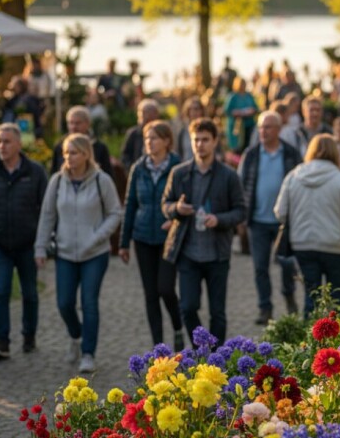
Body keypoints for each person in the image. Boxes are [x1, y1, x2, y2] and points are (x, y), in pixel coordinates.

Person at [35, 134, 122, 373]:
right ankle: (76, 335)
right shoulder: (57, 181)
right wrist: (40, 247)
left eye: (73, 152)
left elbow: (115, 213)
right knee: (64, 303)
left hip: (95, 253)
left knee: (89, 303)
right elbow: (47, 216)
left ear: (86, 154)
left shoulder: (101, 180)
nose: (68, 157)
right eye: (65, 153)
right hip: (64, 252)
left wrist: (96, 237)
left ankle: (88, 353)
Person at [162, 119, 245, 345]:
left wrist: (219, 219)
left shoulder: (228, 175)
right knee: (187, 307)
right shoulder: (179, 174)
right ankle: (201, 348)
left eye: (205, 140)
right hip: (188, 252)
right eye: (196, 140)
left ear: (215, 142)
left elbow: (240, 211)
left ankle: (217, 357)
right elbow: (165, 204)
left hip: (218, 253)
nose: (200, 145)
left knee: (217, 312)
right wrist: (177, 209)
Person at [275, 135, 340, 316]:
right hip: (335, 246)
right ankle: (337, 341)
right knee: (336, 300)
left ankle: (308, 339)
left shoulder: (294, 176)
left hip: (302, 244)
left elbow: (280, 212)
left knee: (311, 298)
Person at [0, 123, 48, 359]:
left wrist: (43, 241)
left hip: (28, 243)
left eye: (6, 141)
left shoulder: (35, 172)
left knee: (29, 293)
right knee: (0, 292)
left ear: (18, 144)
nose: (2, 146)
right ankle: (2, 342)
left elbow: (46, 209)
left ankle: (29, 336)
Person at [119, 120, 184, 351]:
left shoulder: (178, 166)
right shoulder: (138, 168)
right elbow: (130, 205)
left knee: (165, 288)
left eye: (154, 137)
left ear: (167, 141)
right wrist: (124, 243)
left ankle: (178, 326)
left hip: (169, 238)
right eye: (147, 138)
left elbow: (185, 200)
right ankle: (159, 348)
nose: (149, 142)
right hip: (143, 237)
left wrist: (176, 218)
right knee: (150, 294)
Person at [238, 111, 302, 325]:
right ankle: (265, 308)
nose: (263, 132)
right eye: (261, 127)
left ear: (278, 129)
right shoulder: (251, 154)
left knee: (286, 264)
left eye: (268, 127)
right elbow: (241, 184)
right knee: (260, 267)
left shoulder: (291, 154)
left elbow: (299, 184)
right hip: (257, 220)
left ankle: (289, 297)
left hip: (284, 221)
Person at [50, 106, 113, 175]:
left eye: (78, 123)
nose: (73, 127)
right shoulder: (60, 146)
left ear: (88, 124)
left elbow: (108, 174)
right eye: (71, 123)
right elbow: (54, 171)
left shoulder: (99, 147)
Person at [122, 99, 161, 170]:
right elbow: (125, 156)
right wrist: (133, 169)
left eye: (150, 112)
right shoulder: (133, 134)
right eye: (144, 112)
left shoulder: (162, 132)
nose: (147, 116)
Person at [223, 78, 258, 154]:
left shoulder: (249, 96)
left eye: (244, 84)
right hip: (237, 126)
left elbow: (256, 108)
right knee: (238, 147)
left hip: (249, 125)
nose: (242, 86)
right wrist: (238, 112)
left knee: (248, 145)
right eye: (241, 84)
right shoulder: (232, 96)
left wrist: (252, 111)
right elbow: (227, 110)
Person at [177, 96, 206, 161]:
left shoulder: (209, 129)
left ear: (202, 110)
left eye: (196, 109)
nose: (193, 112)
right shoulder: (183, 131)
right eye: (190, 109)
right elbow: (180, 153)